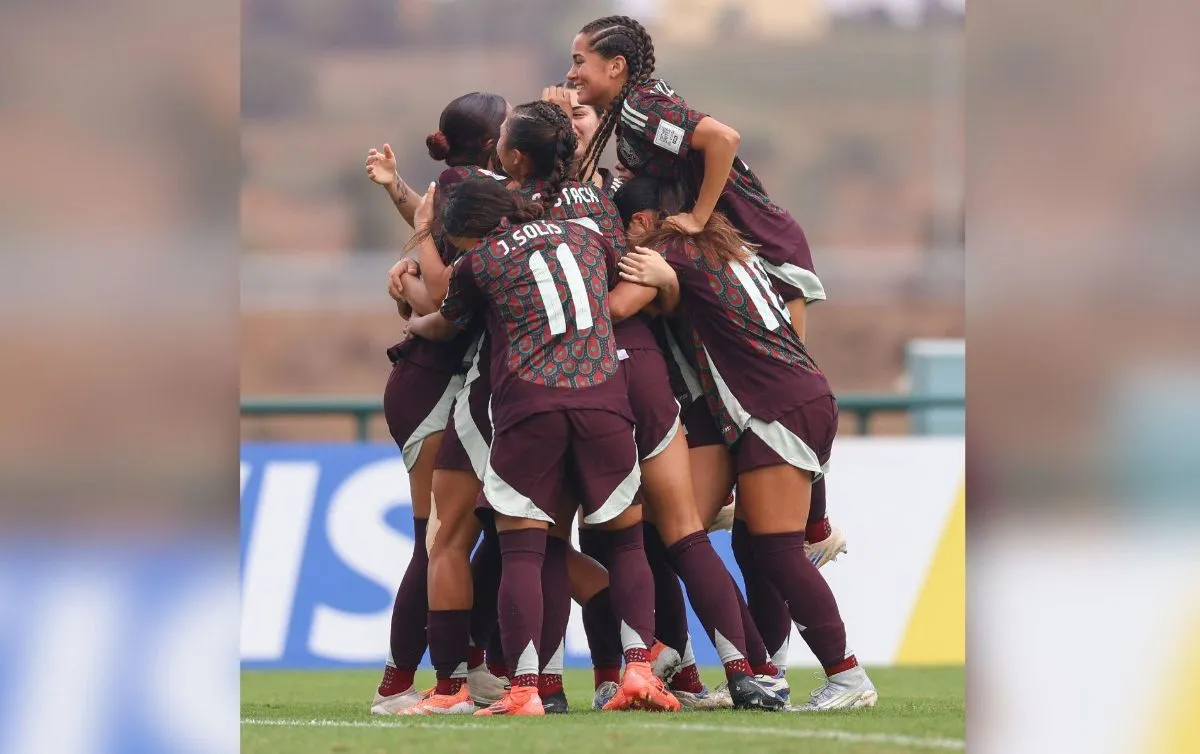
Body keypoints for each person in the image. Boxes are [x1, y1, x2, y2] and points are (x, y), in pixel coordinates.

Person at [566, 14, 850, 670]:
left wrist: (696, 217)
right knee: (749, 529)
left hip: (768, 250)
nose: (573, 72)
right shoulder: (627, 122)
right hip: (751, 251)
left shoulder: (640, 108)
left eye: (580, 60)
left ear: (616, 66)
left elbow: (722, 138)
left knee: (781, 383)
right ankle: (763, 658)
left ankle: (815, 522)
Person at [406, 176, 680, 716]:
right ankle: (639, 671)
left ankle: (525, 689)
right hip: (604, 400)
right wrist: (667, 283)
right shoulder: (586, 236)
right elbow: (627, 289)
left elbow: (444, 322)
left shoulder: (479, 263)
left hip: (530, 407)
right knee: (627, 544)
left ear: (469, 233)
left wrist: (413, 318)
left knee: (523, 552)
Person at [614, 174, 878, 710]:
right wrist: (671, 288)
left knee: (776, 550)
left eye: (625, 233)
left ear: (642, 221)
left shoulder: (669, 248)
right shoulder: (724, 245)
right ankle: (764, 673)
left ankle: (848, 678)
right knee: (722, 541)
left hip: (774, 407)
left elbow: (619, 306)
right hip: (784, 401)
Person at [361, 92, 510, 715]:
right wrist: (419, 294)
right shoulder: (478, 191)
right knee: (438, 537)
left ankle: (474, 667)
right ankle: (399, 684)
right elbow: (447, 288)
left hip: (457, 381)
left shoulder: (463, 188)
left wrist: (401, 200)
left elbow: (435, 238)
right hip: (432, 382)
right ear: (495, 141)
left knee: (487, 532)